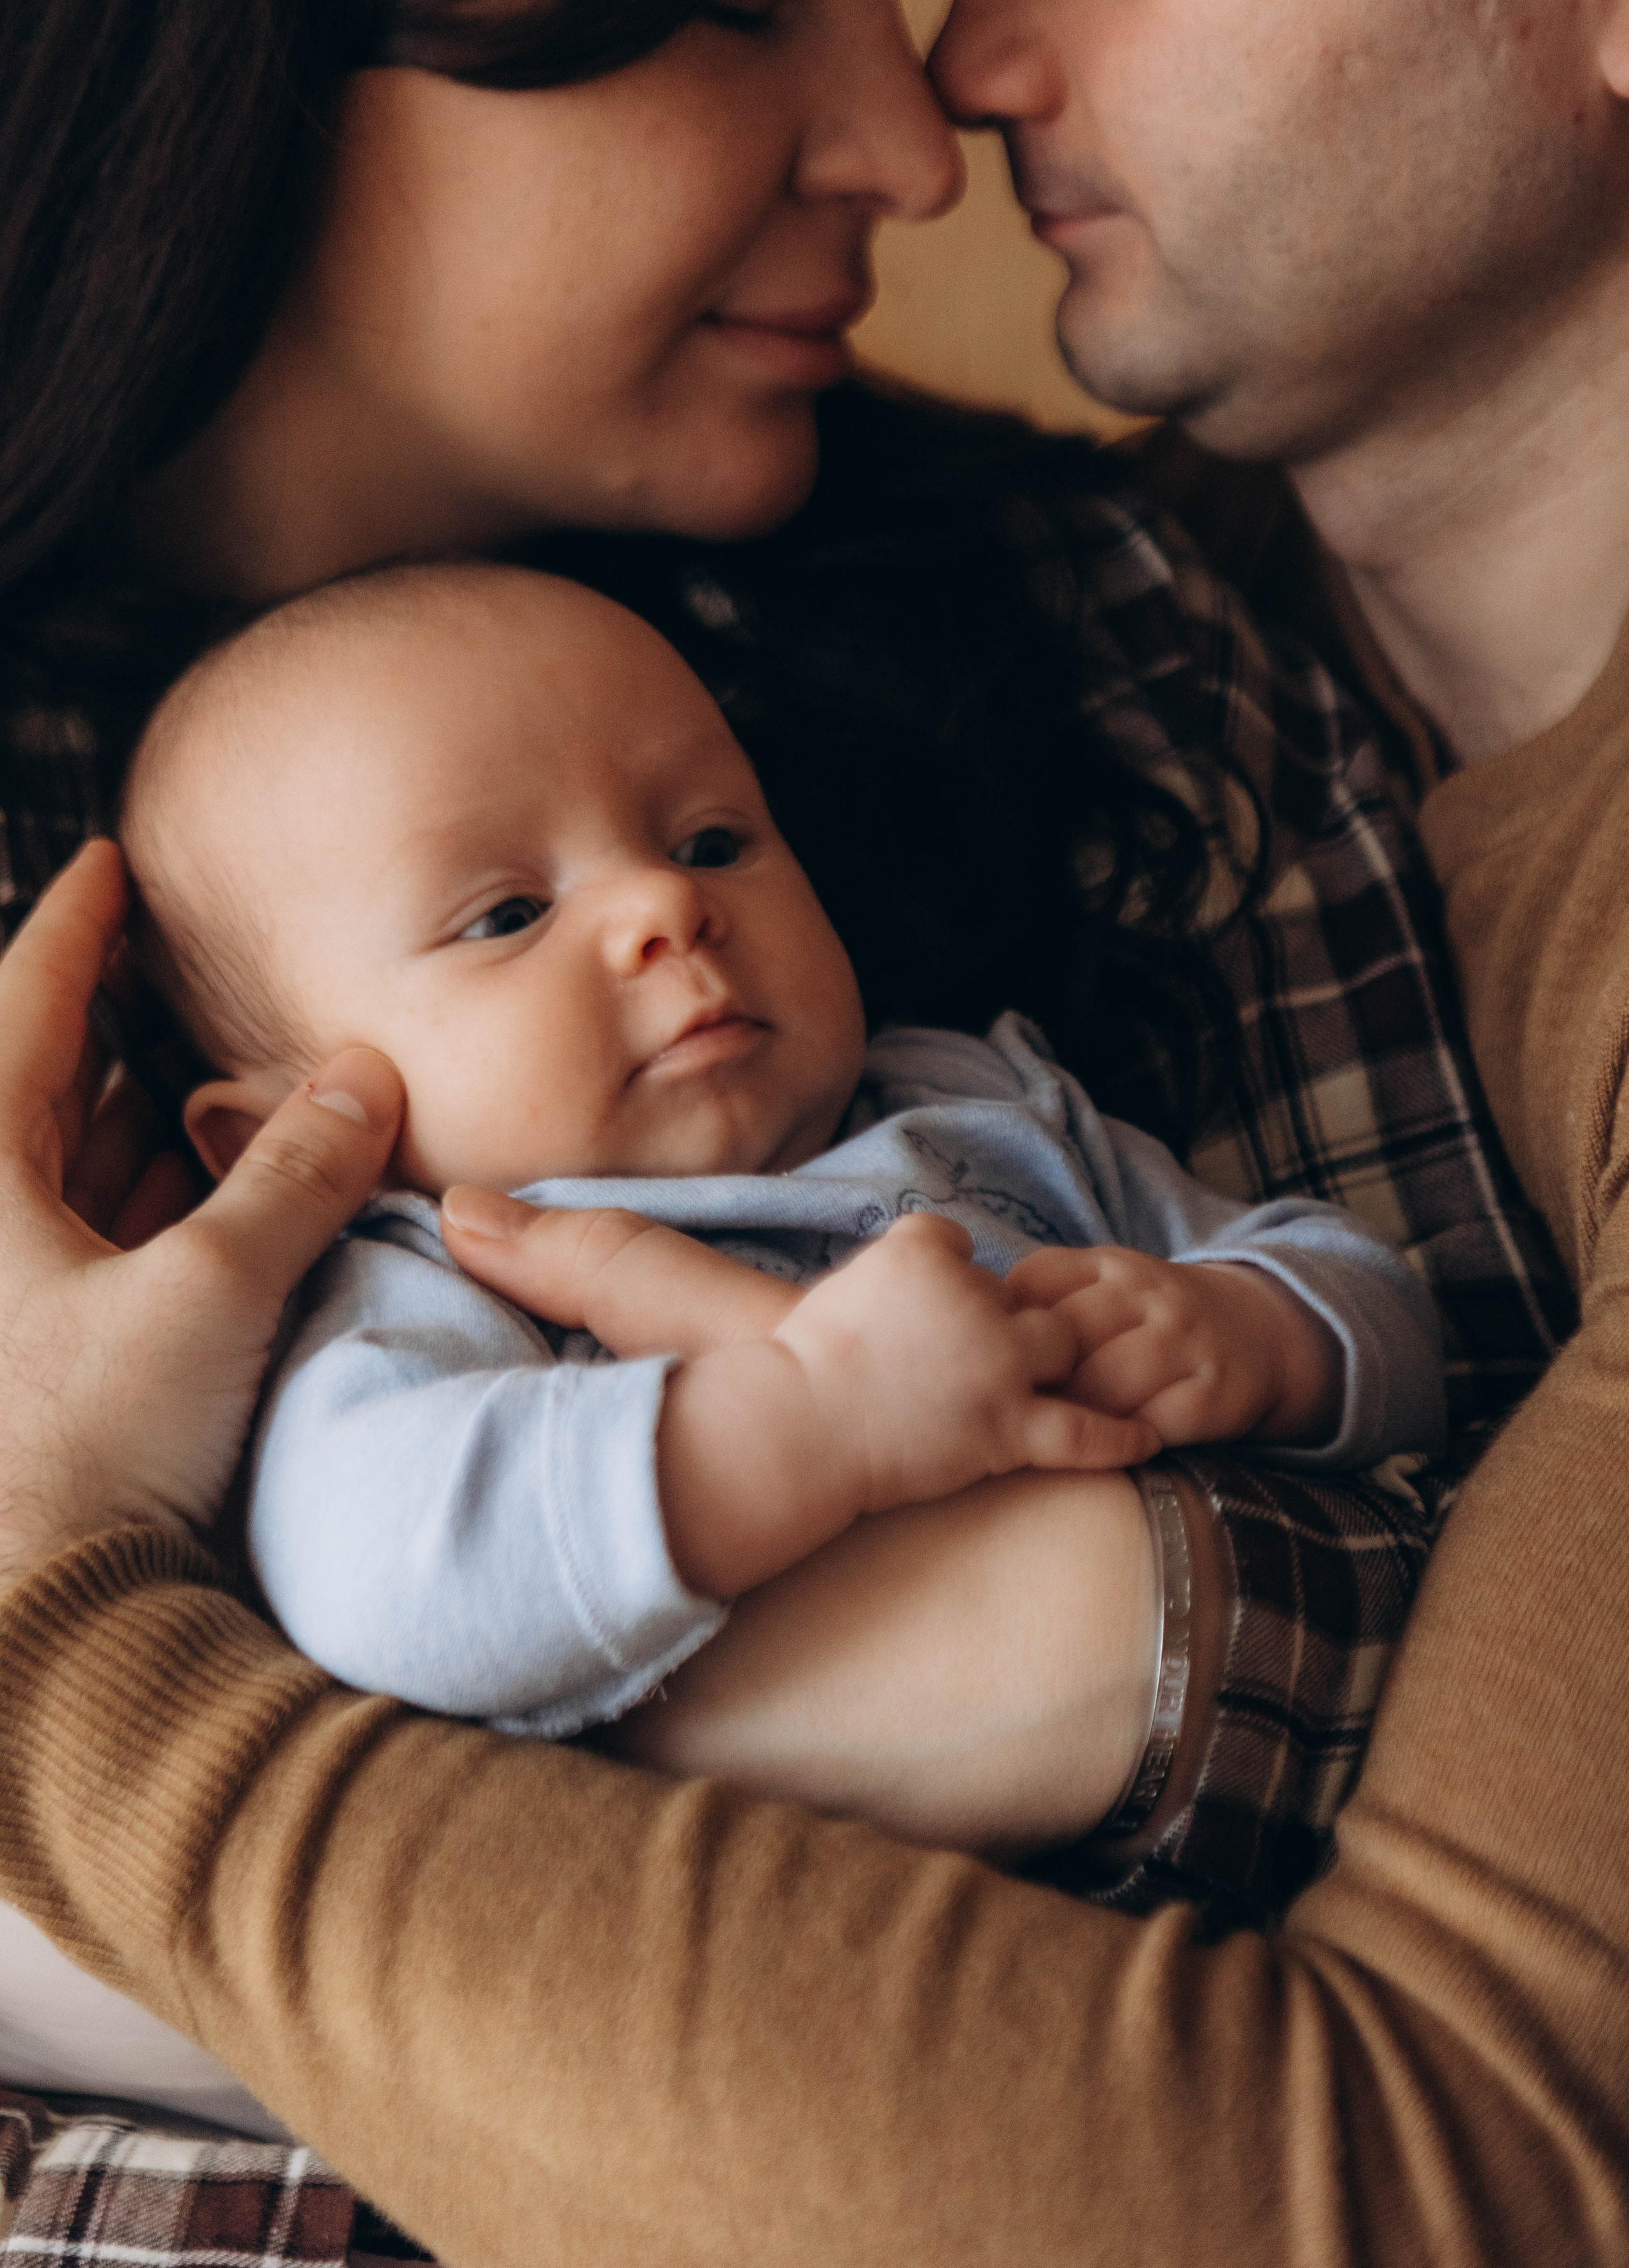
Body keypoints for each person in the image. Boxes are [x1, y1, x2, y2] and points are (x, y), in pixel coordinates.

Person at [0, 0, 1578, 2254]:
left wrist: (139, 1780)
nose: (914, 142)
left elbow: (1458, 1576)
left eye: (714, 840)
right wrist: (990, 1618)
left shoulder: (1103, 649)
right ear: (276, 25)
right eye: (750, 2)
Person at [119, 561, 1436, 1761]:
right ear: (292, 1138)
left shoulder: (978, 1098)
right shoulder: (432, 1274)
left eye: (711, 841)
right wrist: (812, 1415)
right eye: (507, 914)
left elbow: (1380, 1303)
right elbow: (379, 1575)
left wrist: (1257, 1335)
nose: (664, 905)